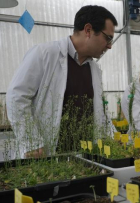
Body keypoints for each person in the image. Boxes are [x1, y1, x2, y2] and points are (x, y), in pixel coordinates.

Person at [6, 5, 117, 158]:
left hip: (86, 158)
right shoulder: (44, 54)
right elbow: (16, 97)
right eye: (108, 38)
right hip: (49, 158)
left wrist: (112, 137)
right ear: (88, 30)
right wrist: (31, 143)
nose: (110, 46)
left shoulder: (94, 69)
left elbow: (99, 112)